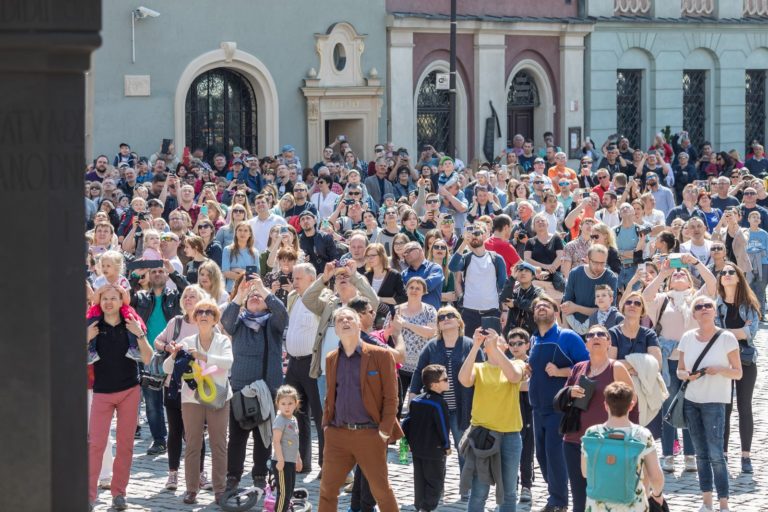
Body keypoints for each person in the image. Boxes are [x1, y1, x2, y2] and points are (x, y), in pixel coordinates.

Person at [318, 307, 401, 512]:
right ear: (335, 329)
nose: (345, 321)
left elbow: (391, 398)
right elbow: (330, 395)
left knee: (381, 491)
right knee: (327, 492)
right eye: (340, 320)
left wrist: (383, 431)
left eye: (350, 318)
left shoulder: (381, 355)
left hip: (370, 434)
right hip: (337, 434)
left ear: (359, 325)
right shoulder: (331, 358)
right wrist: (326, 426)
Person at [644, 255, 717, 473]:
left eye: (681, 273)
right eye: (675, 274)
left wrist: (695, 263)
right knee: (669, 408)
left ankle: (690, 455)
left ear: (690, 281)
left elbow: (713, 283)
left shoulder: (697, 298)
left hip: (694, 361)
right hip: (669, 362)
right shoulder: (662, 299)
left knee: (691, 408)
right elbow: (646, 295)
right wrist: (663, 273)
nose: (678, 274)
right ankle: (668, 454)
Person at [87, 285, 153, 511]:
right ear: (99, 301)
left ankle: (119, 493)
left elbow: (148, 357)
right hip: (102, 392)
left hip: (129, 391)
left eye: (113, 298)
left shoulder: (131, 324)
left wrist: (140, 335)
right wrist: (84, 338)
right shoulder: (92, 325)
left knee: (125, 446)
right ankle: (89, 495)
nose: (108, 302)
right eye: (105, 298)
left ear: (121, 301)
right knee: (96, 444)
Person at [221, 274, 289, 491]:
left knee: (264, 436)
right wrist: (240, 294)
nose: (255, 297)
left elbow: (282, 313)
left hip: (267, 388)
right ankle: (233, 476)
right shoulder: (239, 322)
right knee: (237, 437)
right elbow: (225, 322)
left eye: (259, 296)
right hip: (241, 388)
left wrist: (263, 288)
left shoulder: (272, 323)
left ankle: (260, 474)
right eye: (252, 296)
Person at [163, 300, 233, 505]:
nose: (203, 315)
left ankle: (219, 490)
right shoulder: (187, 341)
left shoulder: (223, 342)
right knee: (193, 444)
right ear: (194, 318)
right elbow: (168, 369)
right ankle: (191, 489)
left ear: (214, 319)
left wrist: (203, 356)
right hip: (191, 399)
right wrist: (174, 355)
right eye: (199, 312)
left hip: (218, 397)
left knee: (219, 444)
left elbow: (228, 363)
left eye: (208, 312)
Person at [677, 296, 742, 512]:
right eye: (699, 307)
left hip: (715, 401)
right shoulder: (687, 337)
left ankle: (724, 503)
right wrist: (686, 375)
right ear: (693, 314)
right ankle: (706, 502)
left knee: (716, 454)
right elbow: (679, 370)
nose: (704, 309)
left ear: (715, 312)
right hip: (691, 401)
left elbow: (738, 373)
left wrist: (719, 369)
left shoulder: (727, 338)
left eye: (708, 306)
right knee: (700, 454)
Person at [561, 324, 634, 512]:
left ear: (608, 342)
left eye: (601, 334)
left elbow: (632, 403)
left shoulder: (616, 368)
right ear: (585, 344)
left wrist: (627, 438)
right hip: (574, 441)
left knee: (605, 499)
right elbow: (563, 399)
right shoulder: (578, 368)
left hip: (608, 443)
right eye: (591, 335)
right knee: (579, 500)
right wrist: (570, 392)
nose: (596, 337)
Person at [528, 295, 589, 512]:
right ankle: (557, 494)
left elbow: (587, 368)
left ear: (557, 312)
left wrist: (561, 371)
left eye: (547, 305)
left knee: (555, 455)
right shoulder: (534, 340)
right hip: (537, 407)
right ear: (534, 315)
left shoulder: (568, 337)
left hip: (560, 408)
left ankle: (558, 502)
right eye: (538, 306)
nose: (541, 308)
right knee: (541, 457)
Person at [458, 325, 525, 511]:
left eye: (498, 339)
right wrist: (475, 346)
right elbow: (464, 380)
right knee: (479, 492)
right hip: (482, 437)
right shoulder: (479, 367)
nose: (492, 339)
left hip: (510, 436)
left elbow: (513, 376)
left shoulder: (517, 364)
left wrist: (494, 348)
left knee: (509, 492)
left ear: (505, 346)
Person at [409, 305, 484, 473]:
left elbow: (482, 374)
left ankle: (466, 489)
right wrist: (412, 397)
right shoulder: (431, 346)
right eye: (441, 318)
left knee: (463, 448)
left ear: (459, 321)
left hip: (462, 408)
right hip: (436, 408)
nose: (445, 319)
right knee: (436, 449)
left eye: (450, 315)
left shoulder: (471, 345)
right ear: (438, 326)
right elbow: (419, 372)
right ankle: (437, 489)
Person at [153, 285, 212, 492]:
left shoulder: (206, 323)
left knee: (195, 433)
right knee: (175, 431)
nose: (188, 299)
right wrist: (169, 347)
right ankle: (172, 475)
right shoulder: (175, 322)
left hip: (197, 387)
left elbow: (218, 345)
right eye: (186, 296)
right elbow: (157, 341)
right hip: (173, 385)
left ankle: (201, 474)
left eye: (192, 296)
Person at [128, 261, 189, 456]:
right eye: (153, 271)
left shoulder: (174, 297)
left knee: (178, 400)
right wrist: (135, 276)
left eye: (161, 271)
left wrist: (174, 273)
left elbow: (190, 292)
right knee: (153, 403)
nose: (157, 274)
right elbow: (125, 300)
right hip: (147, 355)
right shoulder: (140, 297)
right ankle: (159, 440)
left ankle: (182, 435)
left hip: (173, 353)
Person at [580, 381, 666, 512]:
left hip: (597, 505)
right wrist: (657, 495)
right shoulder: (642, 435)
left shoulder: (592, 433)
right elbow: (656, 476)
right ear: (631, 405)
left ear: (605, 405)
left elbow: (585, 472)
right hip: (633, 506)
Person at [714, 263, 761, 474]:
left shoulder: (749, 304)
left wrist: (726, 332)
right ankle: (723, 454)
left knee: (745, 407)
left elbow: (750, 333)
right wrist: (738, 331)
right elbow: (713, 333)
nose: (726, 275)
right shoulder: (716, 305)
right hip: (723, 361)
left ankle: (746, 456)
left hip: (746, 361)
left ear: (739, 277)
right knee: (724, 408)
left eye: (731, 272)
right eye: (723, 273)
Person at [284, 263, 324, 473]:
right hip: (294, 363)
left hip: (313, 363)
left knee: (319, 415)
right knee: (296, 414)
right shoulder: (293, 297)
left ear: (312, 279)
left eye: (299, 278)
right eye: (293, 278)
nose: (294, 282)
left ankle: (326, 464)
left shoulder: (322, 298)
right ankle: (302, 462)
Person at [401, 364, 451, 512]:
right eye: (446, 379)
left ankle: (419, 505)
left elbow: (407, 423)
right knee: (435, 481)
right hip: (434, 450)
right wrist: (446, 446)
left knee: (420, 479)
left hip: (417, 449)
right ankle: (427, 508)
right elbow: (443, 426)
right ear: (435, 384)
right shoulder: (439, 403)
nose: (448, 381)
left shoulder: (416, 400)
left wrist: (406, 444)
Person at [384, 277, 437, 404]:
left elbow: (431, 332)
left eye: (418, 288)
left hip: (421, 366)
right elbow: (385, 335)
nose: (414, 290)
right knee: (396, 403)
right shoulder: (395, 310)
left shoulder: (429, 310)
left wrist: (406, 324)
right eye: (411, 287)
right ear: (406, 290)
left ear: (424, 292)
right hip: (398, 364)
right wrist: (393, 327)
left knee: (419, 404)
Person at [448, 222, 506, 336]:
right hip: (469, 313)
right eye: (471, 233)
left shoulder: (496, 258)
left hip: (492, 312)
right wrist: (464, 242)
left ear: (484, 236)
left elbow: (503, 285)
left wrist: (505, 310)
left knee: (491, 349)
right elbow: (452, 266)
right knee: (469, 348)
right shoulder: (466, 258)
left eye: (477, 233)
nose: (474, 236)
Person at [561, 244, 618, 334]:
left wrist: (576, 308)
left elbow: (607, 311)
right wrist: (566, 332)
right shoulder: (575, 273)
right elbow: (566, 306)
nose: (599, 267)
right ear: (587, 259)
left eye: (602, 263)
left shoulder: (611, 278)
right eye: (595, 263)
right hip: (574, 330)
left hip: (600, 332)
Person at [271, 385, 303, 512]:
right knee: (283, 494)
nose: (287, 406)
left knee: (289, 492)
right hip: (281, 463)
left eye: (290, 403)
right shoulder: (280, 421)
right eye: (283, 403)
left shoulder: (293, 420)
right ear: (278, 404)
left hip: (290, 462)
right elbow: (276, 441)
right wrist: (280, 460)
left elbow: (295, 442)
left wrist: (298, 458)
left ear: (296, 403)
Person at [364, 242, 407, 325]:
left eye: (373, 255)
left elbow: (403, 298)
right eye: (368, 256)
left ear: (381, 256)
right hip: (369, 317)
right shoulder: (366, 276)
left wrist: (379, 299)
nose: (370, 258)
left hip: (387, 318)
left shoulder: (394, 275)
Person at [401, 241, 444, 311]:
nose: (406, 255)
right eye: (404, 254)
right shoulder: (404, 274)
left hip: (431, 316)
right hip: (410, 316)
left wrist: (410, 288)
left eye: (408, 251)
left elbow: (428, 285)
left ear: (420, 250)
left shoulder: (435, 268)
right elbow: (401, 293)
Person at [221, 223, 260, 292]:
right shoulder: (227, 250)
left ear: (250, 234)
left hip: (249, 290)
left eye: (245, 231)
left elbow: (255, 275)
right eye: (240, 230)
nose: (242, 233)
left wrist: (237, 270)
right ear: (236, 233)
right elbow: (225, 272)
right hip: (232, 290)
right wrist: (246, 273)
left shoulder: (255, 252)